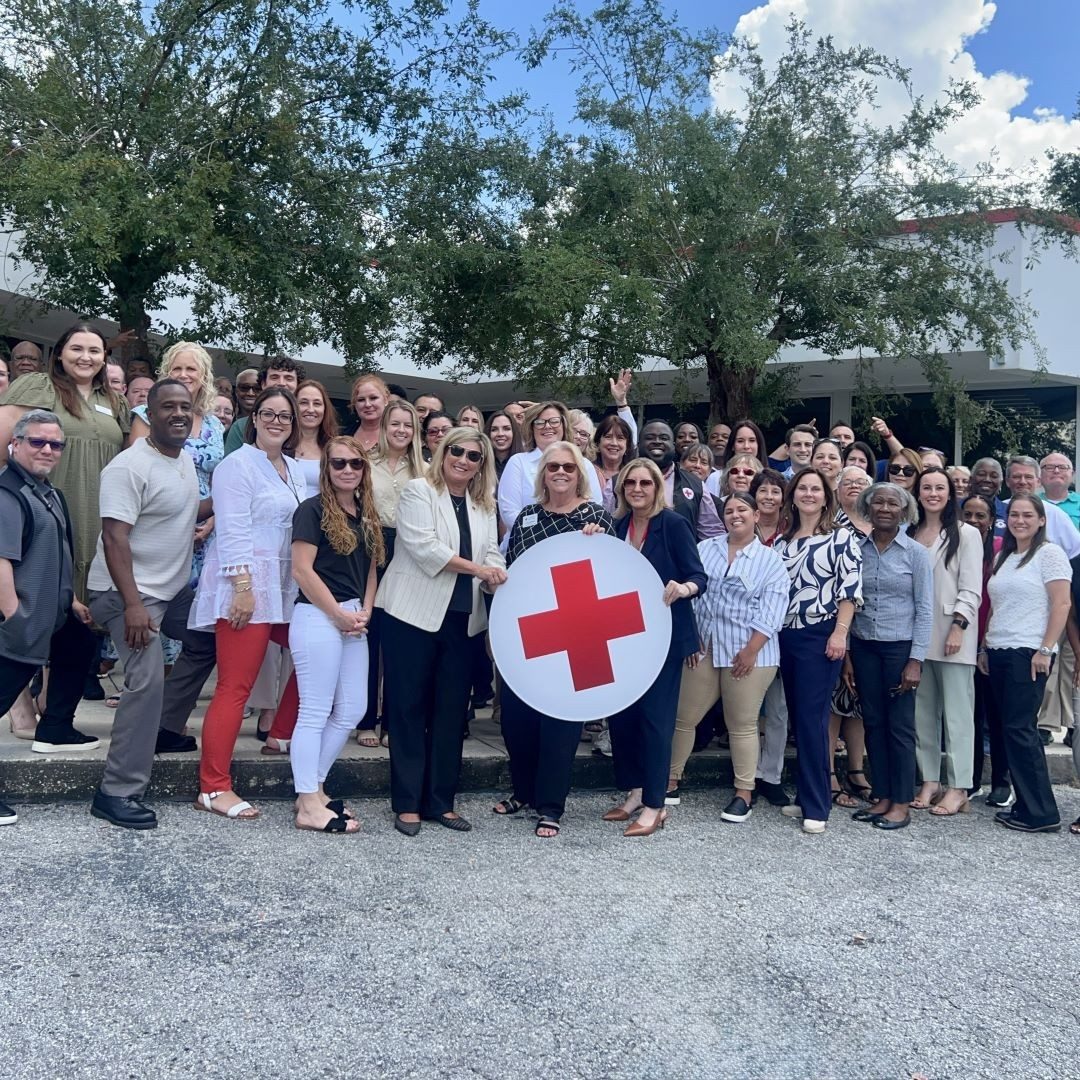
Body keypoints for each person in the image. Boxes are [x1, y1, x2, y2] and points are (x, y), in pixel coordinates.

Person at [86, 381, 214, 829]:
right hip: (124, 595)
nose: (178, 414)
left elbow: (186, 510)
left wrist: (233, 498)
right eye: (168, 407)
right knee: (144, 680)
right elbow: (113, 536)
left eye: (185, 407)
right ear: (149, 413)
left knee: (211, 636)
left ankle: (165, 729)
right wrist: (134, 605)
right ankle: (116, 791)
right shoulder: (129, 466)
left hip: (170, 593)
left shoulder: (180, 461)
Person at [377, 427, 507, 836]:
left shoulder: (484, 504)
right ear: (441, 451)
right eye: (457, 451)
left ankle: (441, 802)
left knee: (451, 714)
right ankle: (408, 803)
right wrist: (479, 569)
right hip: (412, 616)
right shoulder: (419, 490)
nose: (463, 460)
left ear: (481, 464)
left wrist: (493, 574)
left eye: (474, 456)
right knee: (408, 708)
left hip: (462, 621)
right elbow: (424, 547)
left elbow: (491, 551)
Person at [0, 323, 130, 706]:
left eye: (94, 350)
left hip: (93, 517)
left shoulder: (114, 402)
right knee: (29, 612)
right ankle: (21, 708)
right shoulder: (39, 388)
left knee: (76, 618)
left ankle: (51, 706)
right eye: (77, 348)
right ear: (59, 352)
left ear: (105, 357)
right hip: (39, 513)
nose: (85, 357)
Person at [191, 387, 306, 820]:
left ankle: (280, 733)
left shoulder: (292, 469)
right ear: (253, 419)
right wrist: (242, 586)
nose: (277, 421)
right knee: (234, 688)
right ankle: (213, 786)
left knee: (317, 653)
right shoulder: (235, 465)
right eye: (268, 414)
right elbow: (234, 530)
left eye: (285, 416)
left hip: (284, 587)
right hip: (248, 586)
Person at [495, 441, 615, 837]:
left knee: (559, 723)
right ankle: (524, 792)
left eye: (568, 467)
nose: (560, 473)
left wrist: (598, 541)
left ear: (579, 473)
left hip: (576, 635)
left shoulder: (596, 518)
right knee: (517, 719)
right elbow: (511, 570)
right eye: (552, 467)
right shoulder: (528, 516)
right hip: (529, 630)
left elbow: (612, 575)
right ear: (542, 474)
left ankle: (551, 805)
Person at [605, 458, 707, 836]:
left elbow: (699, 576)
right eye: (630, 483)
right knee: (624, 718)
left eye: (645, 483)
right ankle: (635, 791)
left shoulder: (675, 523)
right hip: (624, 637)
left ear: (656, 487)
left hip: (664, 637)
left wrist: (684, 588)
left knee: (656, 721)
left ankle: (654, 805)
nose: (637, 489)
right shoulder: (616, 527)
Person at [671, 493, 788, 821]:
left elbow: (772, 611)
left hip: (750, 652)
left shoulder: (770, 560)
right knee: (684, 717)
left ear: (755, 515)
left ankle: (744, 792)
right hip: (705, 648)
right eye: (729, 511)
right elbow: (690, 593)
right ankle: (670, 780)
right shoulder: (705, 549)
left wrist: (751, 651)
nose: (735, 515)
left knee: (742, 724)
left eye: (742, 510)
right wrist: (691, 640)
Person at [288, 437, 384, 834]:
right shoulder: (310, 511)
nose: (347, 470)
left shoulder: (367, 514)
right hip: (317, 616)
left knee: (352, 709)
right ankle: (309, 803)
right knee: (314, 710)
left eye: (355, 464)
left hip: (353, 618)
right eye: (338, 463)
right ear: (326, 469)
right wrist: (338, 615)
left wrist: (365, 610)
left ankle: (314, 789)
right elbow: (302, 571)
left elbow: (373, 568)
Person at [0, 410, 99, 762]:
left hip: (50, 612)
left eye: (55, 444)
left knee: (79, 643)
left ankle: (55, 728)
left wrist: (69, 599)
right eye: (37, 441)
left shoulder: (47, 493)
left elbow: (52, 553)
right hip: (21, 620)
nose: (47, 450)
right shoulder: (7, 494)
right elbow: (1, 561)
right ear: (15, 444)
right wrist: (15, 616)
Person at [774, 467, 862, 834]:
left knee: (812, 720)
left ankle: (817, 806)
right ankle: (807, 795)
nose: (809, 494)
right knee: (799, 718)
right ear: (793, 495)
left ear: (827, 497)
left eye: (816, 489)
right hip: (786, 636)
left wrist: (840, 634)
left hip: (820, 634)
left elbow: (850, 591)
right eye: (802, 488)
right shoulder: (783, 542)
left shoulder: (842, 538)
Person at [843, 483, 933, 832]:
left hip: (900, 650)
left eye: (892, 503)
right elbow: (848, 601)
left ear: (903, 510)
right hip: (864, 646)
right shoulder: (856, 550)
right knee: (874, 724)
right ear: (868, 507)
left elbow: (925, 610)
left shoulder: (915, 553)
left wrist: (916, 660)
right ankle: (881, 795)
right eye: (877, 502)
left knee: (900, 727)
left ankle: (900, 802)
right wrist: (849, 653)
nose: (883, 508)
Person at [980, 494, 1070, 832]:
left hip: (1028, 652)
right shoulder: (1006, 556)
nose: (1019, 520)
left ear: (1042, 520)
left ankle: (1042, 812)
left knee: (1021, 730)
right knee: (1009, 730)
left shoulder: (1050, 554)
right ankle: (1026, 804)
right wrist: (986, 646)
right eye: (1014, 514)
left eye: (1027, 515)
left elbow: (1061, 604)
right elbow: (999, 605)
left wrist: (1045, 650)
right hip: (1000, 650)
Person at [907, 467, 983, 816]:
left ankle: (959, 785)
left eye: (940, 488)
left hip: (953, 634)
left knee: (957, 716)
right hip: (917, 635)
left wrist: (959, 626)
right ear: (918, 493)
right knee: (923, 713)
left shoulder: (966, 534)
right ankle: (930, 781)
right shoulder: (911, 531)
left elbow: (971, 587)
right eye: (926, 488)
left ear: (951, 493)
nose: (933, 493)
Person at [356, 398, 425, 744]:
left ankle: (393, 723)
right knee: (370, 639)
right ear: (384, 428)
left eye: (408, 425)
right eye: (395, 424)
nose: (401, 430)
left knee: (401, 646)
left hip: (411, 553)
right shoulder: (366, 463)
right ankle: (366, 719)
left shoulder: (426, 470)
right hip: (372, 549)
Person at [1005, 455, 1080, 741]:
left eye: (1028, 477)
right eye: (1016, 476)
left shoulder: (1054, 515)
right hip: (1024, 608)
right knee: (1045, 664)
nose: (1023, 482)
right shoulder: (1009, 511)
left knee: (1067, 660)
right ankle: (1045, 725)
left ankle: (1073, 724)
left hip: (1061, 596)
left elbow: (1076, 556)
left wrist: (1069, 596)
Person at [962, 494, 1009, 805]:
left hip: (991, 643)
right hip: (961, 642)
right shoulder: (956, 546)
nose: (975, 521)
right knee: (969, 716)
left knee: (997, 715)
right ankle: (971, 779)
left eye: (981, 515)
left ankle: (1001, 782)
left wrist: (986, 644)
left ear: (992, 519)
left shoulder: (1000, 551)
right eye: (968, 514)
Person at [499, 401, 603, 539]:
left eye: (554, 421)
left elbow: (594, 508)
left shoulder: (584, 464)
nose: (547, 426)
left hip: (574, 546)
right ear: (531, 428)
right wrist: (548, 537)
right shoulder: (518, 462)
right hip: (525, 544)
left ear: (564, 426)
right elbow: (510, 514)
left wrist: (562, 540)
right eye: (540, 422)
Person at [641, 420, 721, 539]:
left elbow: (711, 533)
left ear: (673, 445)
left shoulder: (696, 485)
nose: (657, 442)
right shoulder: (619, 481)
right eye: (650, 437)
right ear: (638, 444)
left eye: (663, 438)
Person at [223, 355, 305, 455]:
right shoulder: (241, 427)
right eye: (274, 377)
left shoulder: (308, 427)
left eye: (289, 378)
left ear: (298, 385)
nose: (281, 383)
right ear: (263, 384)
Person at [291, 380, 340, 498]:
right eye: (303, 402)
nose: (311, 409)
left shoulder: (335, 448)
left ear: (325, 409)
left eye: (317, 403)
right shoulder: (280, 446)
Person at [591, 414, 634, 514]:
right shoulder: (588, 472)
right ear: (598, 443)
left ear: (627, 445)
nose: (614, 443)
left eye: (620, 438)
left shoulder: (632, 474)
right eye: (608, 437)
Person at [349, 374, 390, 452]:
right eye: (361, 400)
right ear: (354, 404)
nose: (367, 404)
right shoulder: (342, 435)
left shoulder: (396, 434)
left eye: (373, 398)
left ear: (386, 399)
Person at [1039, 453, 1080, 528]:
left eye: (1063, 467)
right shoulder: (1031, 503)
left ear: (1072, 474)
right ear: (1040, 475)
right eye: (1049, 467)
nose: (1056, 471)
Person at [749, 469, 786, 544]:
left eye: (775, 492)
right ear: (754, 496)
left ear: (782, 500)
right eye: (763, 490)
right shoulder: (745, 526)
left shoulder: (791, 529)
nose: (769, 497)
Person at [486, 409, 523, 482]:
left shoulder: (525, 463)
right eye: (494, 429)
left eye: (506, 429)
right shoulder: (479, 464)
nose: (500, 434)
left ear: (514, 432)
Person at [835, 466, 872, 535]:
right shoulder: (829, 524)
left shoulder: (880, 520)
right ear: (838, 492)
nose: (854, 485)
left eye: (860, 482)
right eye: (847, 483)